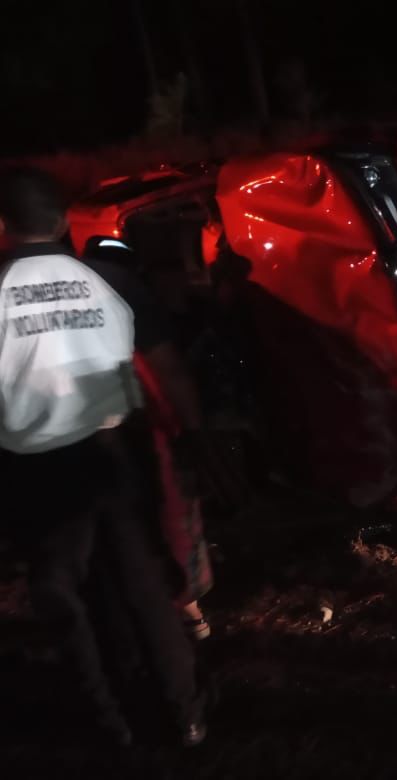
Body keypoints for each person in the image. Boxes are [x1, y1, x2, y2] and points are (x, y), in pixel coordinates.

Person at [0, 167, 206, 746]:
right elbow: (161, 365)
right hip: (114, 454)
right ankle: (185, 712)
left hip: (38, 468)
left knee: (66, 598)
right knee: (141, 584)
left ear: (6, 226)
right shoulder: (107, 279)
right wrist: (194, 434)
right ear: (65, 221)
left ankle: (109, 724)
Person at [82, 236, 215, 640]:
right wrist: (193, 433)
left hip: (84, 434)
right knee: (168, 514)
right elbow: (168, 368)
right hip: (144, 426)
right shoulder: (130, 293)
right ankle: (188, 614)